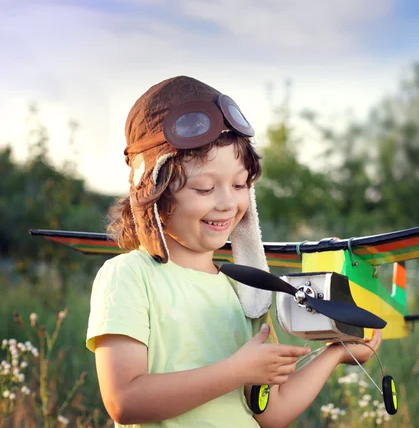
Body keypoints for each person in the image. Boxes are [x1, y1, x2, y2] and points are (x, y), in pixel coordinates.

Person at [86, 76, 382, 428]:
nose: (228, 203)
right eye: (205, 188)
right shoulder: (130, 276)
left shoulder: (247, 291)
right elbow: (124, 400)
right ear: (155, 193)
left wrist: (335, 353)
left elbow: (272, 413)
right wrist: (235, 371)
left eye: (240, 185)